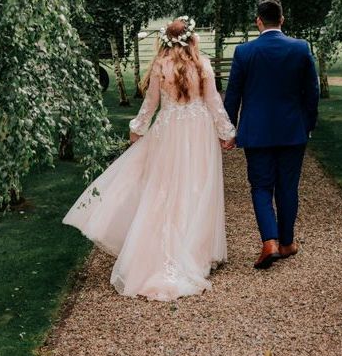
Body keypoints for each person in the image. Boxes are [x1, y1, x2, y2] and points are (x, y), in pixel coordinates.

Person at [62, 16, 236, 301]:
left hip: (169, 130)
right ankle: (194, 251)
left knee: (165, 189)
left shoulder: (160, 65)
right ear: (192, 38)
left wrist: (138, 128)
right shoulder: (202, 64)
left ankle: (174, 250)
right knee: (197, 187)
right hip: (198, 130)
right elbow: (214, 102)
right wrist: (226, 131)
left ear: (167, 40)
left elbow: (150, 104)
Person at [223, 0, 320, 269]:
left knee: (261, 186)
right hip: (292, 131)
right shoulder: (300, 48)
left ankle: (270, 242)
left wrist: (229, 130)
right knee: (288, 187)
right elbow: (312, 92)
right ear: (282, 20)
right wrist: (308, 125)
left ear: (258, 21)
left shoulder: (244, 52)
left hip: (256, 133)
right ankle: (287, 243)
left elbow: (233, 96)